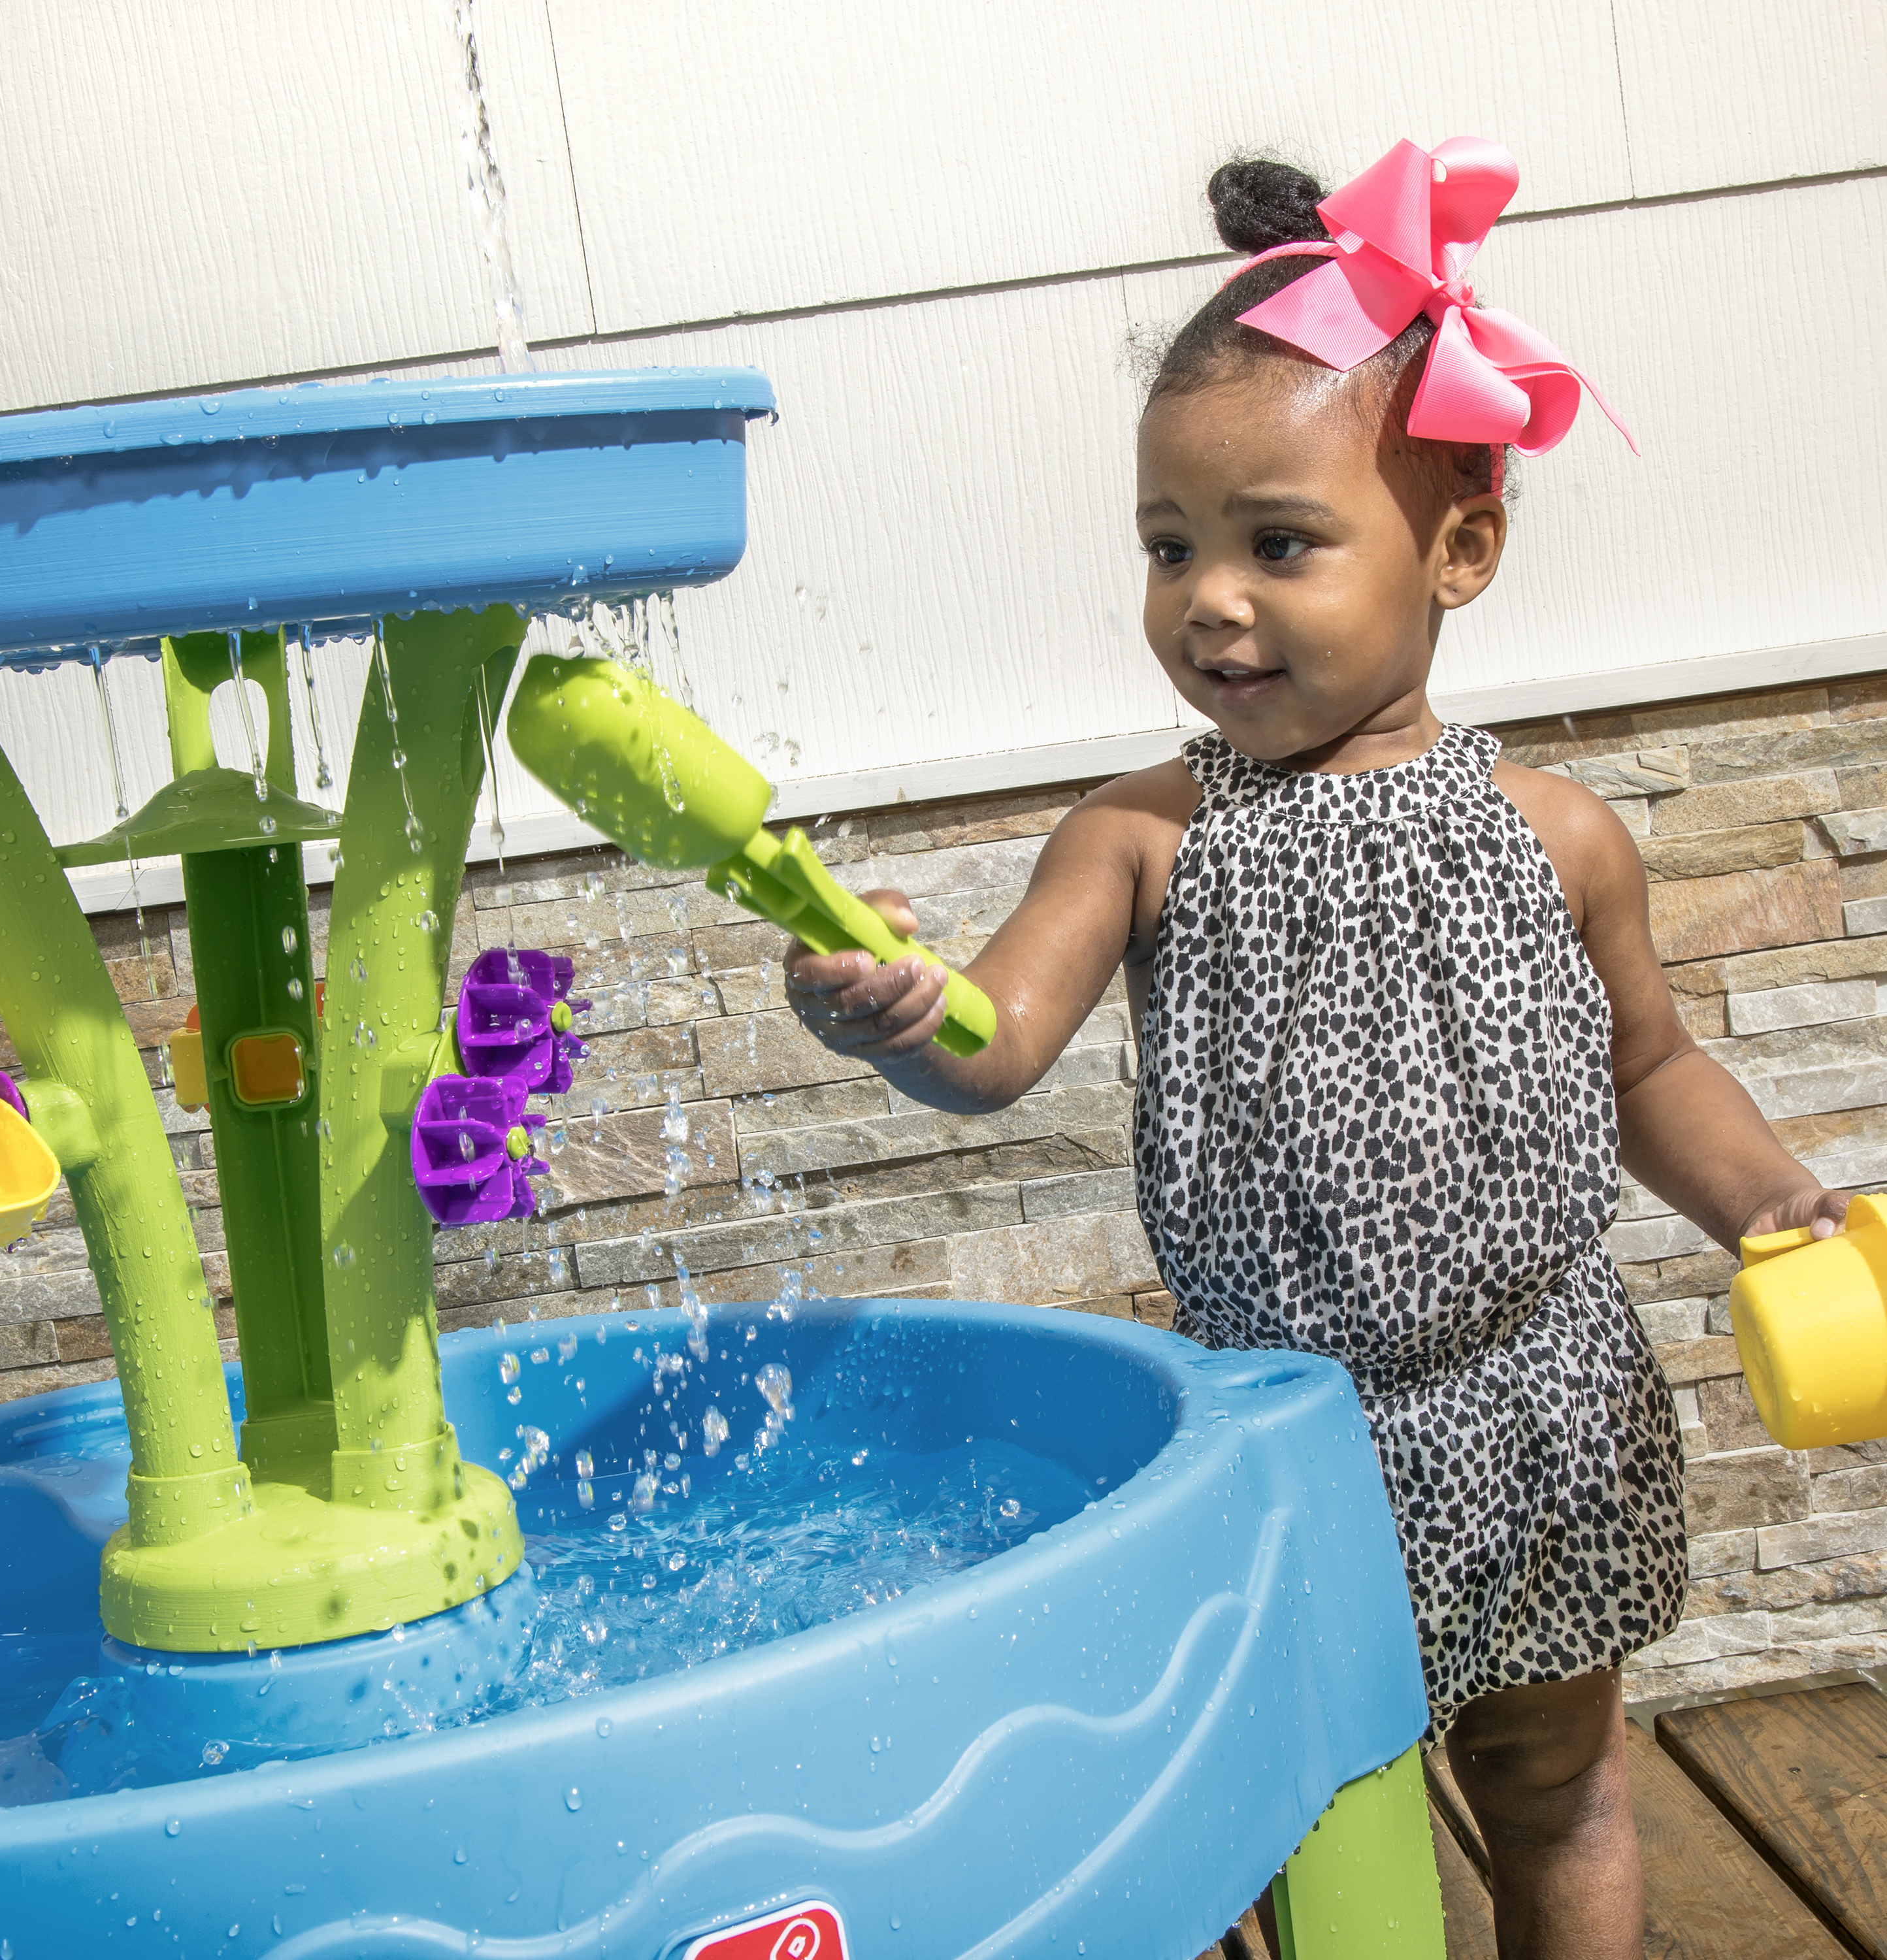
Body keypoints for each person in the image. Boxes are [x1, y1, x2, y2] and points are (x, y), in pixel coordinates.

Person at [780, 137, 1850, 1960]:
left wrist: (1774, 1204)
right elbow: (996, 1041)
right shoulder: (1139, 838)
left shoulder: (1558, 831)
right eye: (1170, 545)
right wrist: (899, 1016)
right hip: (1287, 1430)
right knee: (1314, 1804)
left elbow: (1651, 1071)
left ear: (1460, 547)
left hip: (1536, 1401)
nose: (1212, 598)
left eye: (1280, 543)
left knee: (1558, 1785)